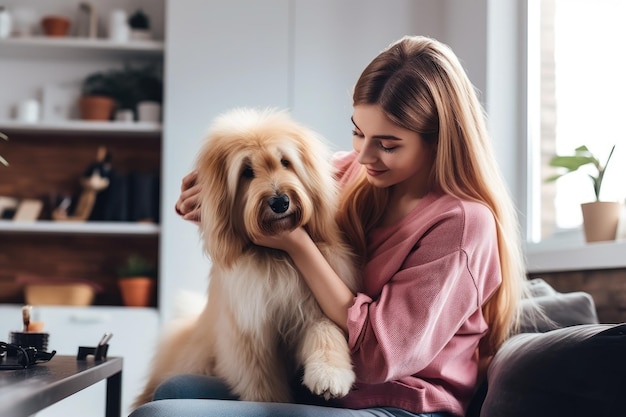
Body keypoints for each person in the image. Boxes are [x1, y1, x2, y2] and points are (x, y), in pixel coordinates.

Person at [130, 35, 529, 417]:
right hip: (328, 392)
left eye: (388, 144)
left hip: (401, 403)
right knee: (174, 390)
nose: (366, 155)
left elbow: (377, 360)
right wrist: (206, 195)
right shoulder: (354, 174)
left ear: (439, 140)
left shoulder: (460, 224)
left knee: (165, 414)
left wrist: (298, 246)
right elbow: (264, 174)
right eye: (358, 132)